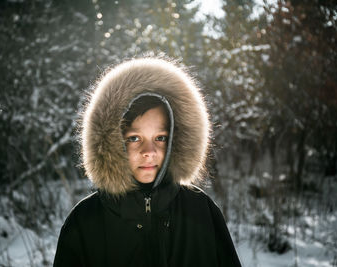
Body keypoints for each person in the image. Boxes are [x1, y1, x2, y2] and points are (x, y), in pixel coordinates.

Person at [53, 57, 242, 267]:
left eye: (160, 138)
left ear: (175, 141)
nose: (149, 152)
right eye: (134, 138)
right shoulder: (84, 223)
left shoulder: (202, 213)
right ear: (112, 143)